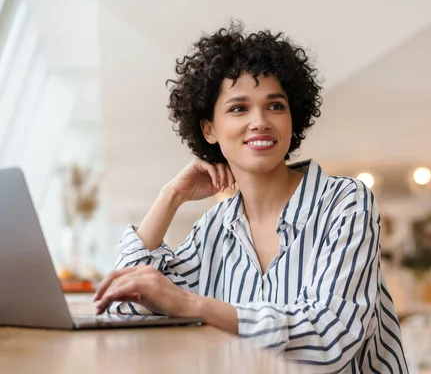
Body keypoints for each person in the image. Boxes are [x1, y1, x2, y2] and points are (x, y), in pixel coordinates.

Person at [93, 23, 408, 373]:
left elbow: (329, 337)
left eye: (275, 106)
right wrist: (171, 196)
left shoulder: (345, 203)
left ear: (293, 118)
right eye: (239, 108)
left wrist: (193, 305)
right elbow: (123, 306)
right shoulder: (213, 228)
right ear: (208, 129)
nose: (260, 121)